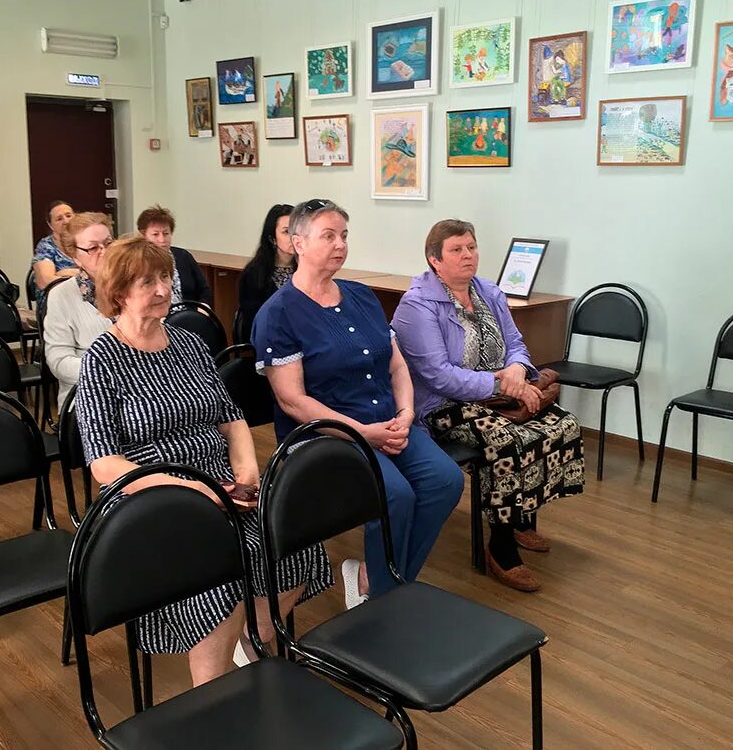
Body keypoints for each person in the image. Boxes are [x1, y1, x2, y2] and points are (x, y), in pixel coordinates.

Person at [75, 236, 331, 686]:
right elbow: (104, 463)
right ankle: (211, 698)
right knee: (219, 571)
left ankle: (251, 639)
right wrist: (193, 491)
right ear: (117, 292)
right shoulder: (103, 358)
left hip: (221, 485)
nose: (161, 289)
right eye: (146, 281)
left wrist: (247, 475)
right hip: (150, 496)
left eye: (163, 278)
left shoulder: (189, 343)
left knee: (296, 539)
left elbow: (231, 418)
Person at [252, 199, 462, 608]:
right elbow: (293, 401)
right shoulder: (278, 313)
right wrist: (362, 433)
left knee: (445, 481)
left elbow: (397, 364)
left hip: (388, 420)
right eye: (328, 236)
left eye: (344, 235)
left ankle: (378, 579)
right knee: (395, 497)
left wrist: (404, 413)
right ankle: (384, 602)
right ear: (298, 242)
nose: (340, 245)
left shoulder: (361, 295)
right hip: (328, 436)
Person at [391, 219, 585, 592]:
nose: (468, 255)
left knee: (562, 424)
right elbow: (439, 376)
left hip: (498, 392)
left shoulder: (489, 292)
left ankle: (522, 518)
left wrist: (515, 369)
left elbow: (516, 344)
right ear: (435, 259)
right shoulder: (417, 305)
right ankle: (501, 545)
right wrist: (501, 381)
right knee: (508, 440)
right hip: (443, 406)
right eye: (457, 250)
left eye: (472, 247)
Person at [43, 211, 114, 410]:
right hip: (87, 396)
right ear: (76, 257)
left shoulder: (134, 286)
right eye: (93, 248)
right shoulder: (61, 295)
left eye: (108, 243)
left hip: (138, 392)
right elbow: (59, 361)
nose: (104, 252)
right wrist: (108, 371)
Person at [236, 203, 295, 341]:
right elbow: (256, 322)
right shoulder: (254, 274)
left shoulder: (306, 269)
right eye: (286, 232)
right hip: (271, 343)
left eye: (296, 230)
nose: (293, 237)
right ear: (272, 238)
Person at [136, 205, 212, 305]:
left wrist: (203, 307)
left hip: (190, 315)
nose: (162, 240)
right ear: (143, 236)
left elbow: (204, 290)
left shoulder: (183, 256)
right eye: (155, 234)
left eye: (166, 233)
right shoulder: (138, 262)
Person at [32, 200, 80, 297]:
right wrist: (80, 276)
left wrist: (62, 274)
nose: (66, 221)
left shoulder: (86, 240)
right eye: (59, 219)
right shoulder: (46, 246)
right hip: (56, 300)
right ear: (50, 225)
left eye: (69, 216)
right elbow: (44, 282)